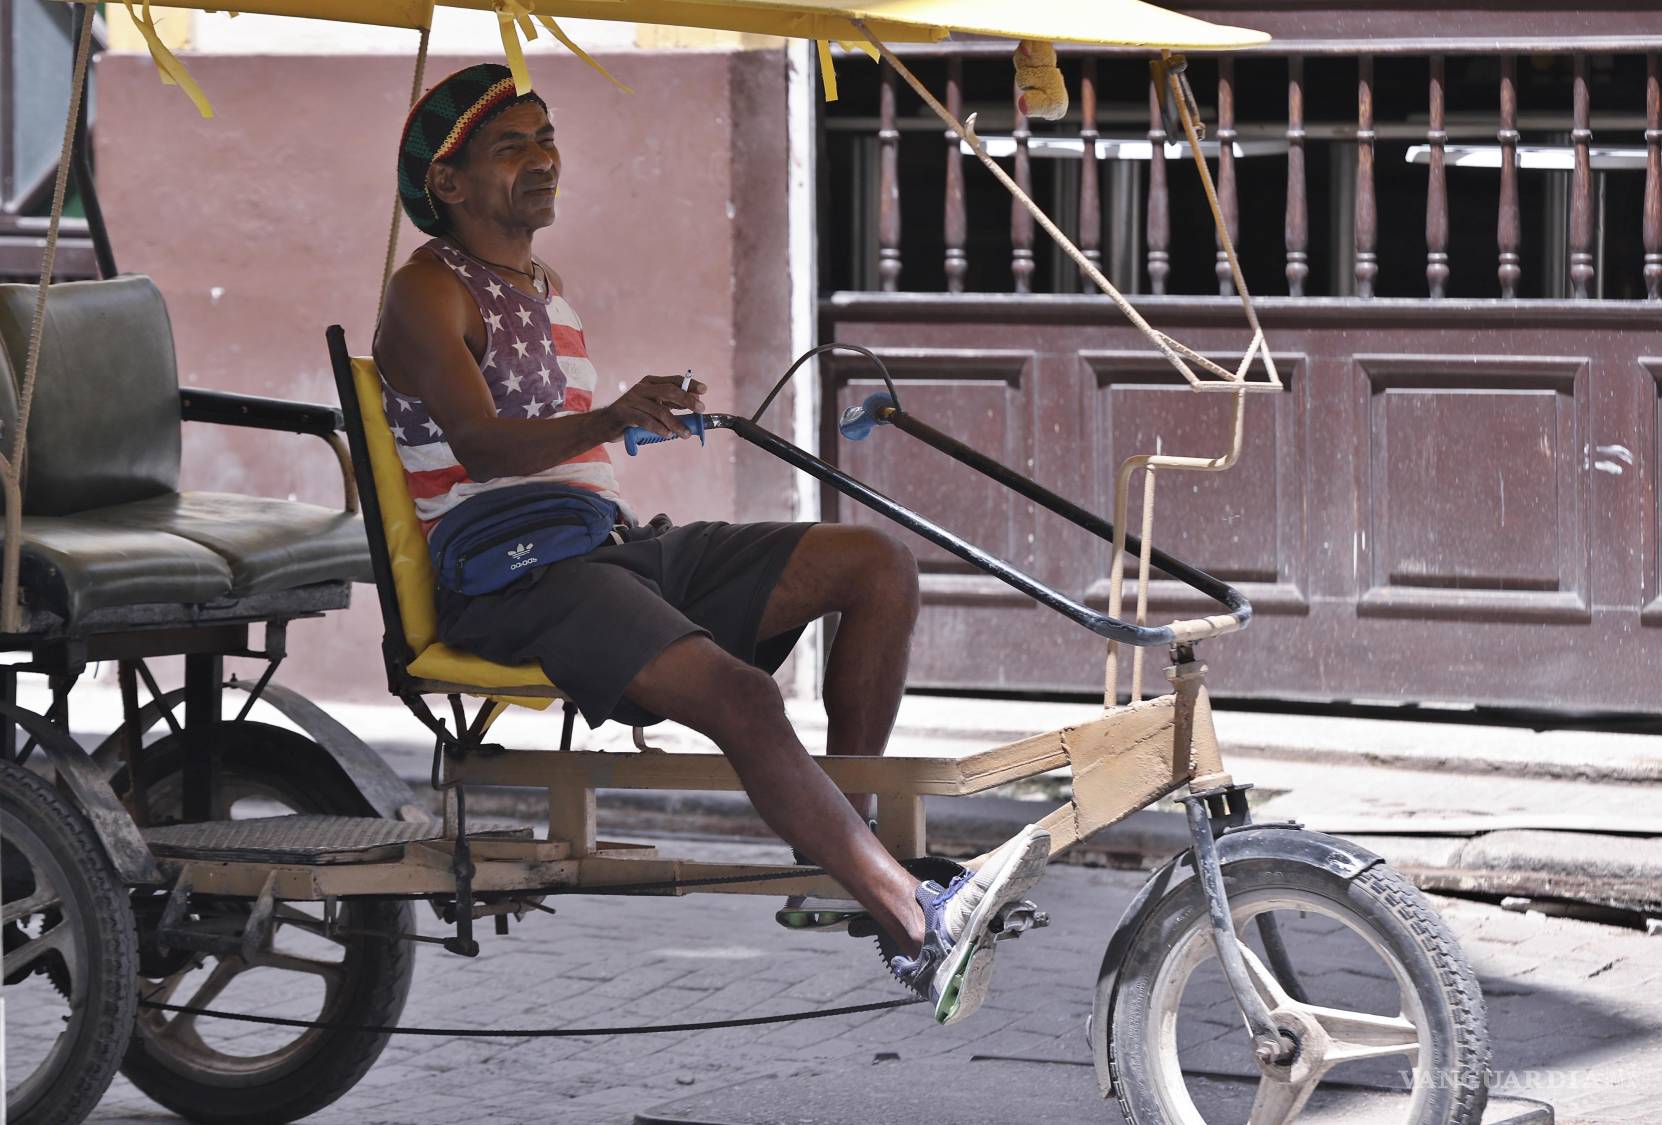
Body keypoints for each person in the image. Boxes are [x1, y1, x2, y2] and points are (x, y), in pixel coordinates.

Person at [372, 64, 1047, 1023]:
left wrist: (630, 420)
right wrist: (610, 415)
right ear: (447, 183)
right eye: (511, 147)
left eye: (546, 137)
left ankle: (839, 855)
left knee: (875, 563)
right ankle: (913, 925)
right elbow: (480, 447)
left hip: (606, 549)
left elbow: (562, 442)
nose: (544, 160)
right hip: (512, 576)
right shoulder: (424, 292)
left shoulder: (542, 283)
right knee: (741, 692)